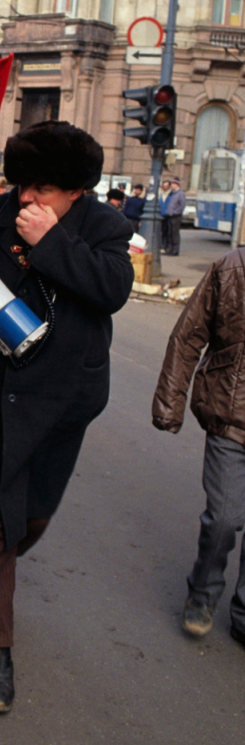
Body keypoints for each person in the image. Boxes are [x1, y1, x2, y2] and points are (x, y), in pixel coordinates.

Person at [0, 120, 133, 714]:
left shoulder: (104, 227)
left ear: (76, 192)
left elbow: (112, 290)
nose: (27, 199)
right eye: (23, 185)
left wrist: (52, 243)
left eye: (44, 189)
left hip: (62, 402)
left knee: (31, 515)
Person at [152, 248, 245, 649]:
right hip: (230, 415)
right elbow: (188, 336)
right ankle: (202, 595)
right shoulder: (231, 268)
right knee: (223, 518)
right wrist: (169, 403)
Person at [161, 176, 186, 255]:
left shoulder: (180, 194)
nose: (172, 186)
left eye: (173, 184)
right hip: (169, 216)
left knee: (174, 234)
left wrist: (174, 212)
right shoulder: (172, 193)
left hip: (175, 216)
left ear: (177, 185)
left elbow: (182, 205)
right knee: (169, 234)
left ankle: (175, 250)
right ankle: (169, 249)